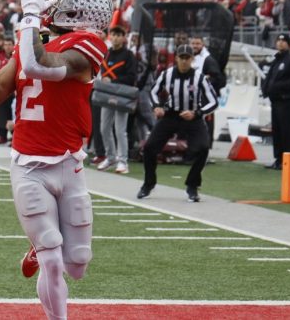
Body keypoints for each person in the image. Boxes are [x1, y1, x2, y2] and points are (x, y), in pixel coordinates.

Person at [0, 0, 112, 319]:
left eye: (58, 0)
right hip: (28, 163)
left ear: (78, 10)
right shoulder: (32, 41)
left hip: (68, 161)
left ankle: (40, 243)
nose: (50, 4)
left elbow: (39, 64)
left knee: (77, 263)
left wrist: (31, 16)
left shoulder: (89, 45)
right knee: (51, 258)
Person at [138, 45, 219, 202]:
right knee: (149, 148)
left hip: (192, 117)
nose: (184, 61)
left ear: (192, 59)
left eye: (187, 58)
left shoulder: (199, 77)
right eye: (181, 57)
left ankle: (192, 185)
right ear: (176, 58)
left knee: (203, 148)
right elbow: (153, 91)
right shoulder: (167, 74)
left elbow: (214, 101)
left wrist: (198, 113)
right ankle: (148, 184)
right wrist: (157, 107)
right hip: (171, 116)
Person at [96, 26, 137, 174]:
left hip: (121, 95)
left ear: (124, 38)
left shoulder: (128, 55)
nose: (115, 38)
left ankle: (123, 161)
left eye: (119, 35)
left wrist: (113, 81)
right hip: (107, 94)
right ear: (110, 36)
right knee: (104, 128)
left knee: (120, 130)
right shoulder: (106, 53)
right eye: (113, 34)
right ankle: (111, 157)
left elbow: (132, 77)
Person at [261, 34, 290, 170]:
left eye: (283, 41)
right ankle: (278, 158)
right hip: (276, 101)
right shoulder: (276, 59)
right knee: (277, 131)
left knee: (287, 132)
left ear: (288, 44)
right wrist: (266, 88)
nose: (280, 43)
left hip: (286, 102)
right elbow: (270, 78)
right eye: (278, 40)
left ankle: (288, 160)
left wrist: (278, 87)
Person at [189, 36, 225, 148]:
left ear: (202, 45)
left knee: (205, 124)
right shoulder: (188, 57)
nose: (195, 46)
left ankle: (205, 147)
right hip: (191, 97)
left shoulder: (208, 60)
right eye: (193, 43)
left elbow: (218, 78)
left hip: (205, 98)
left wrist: (205, 80)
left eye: (197, 43)